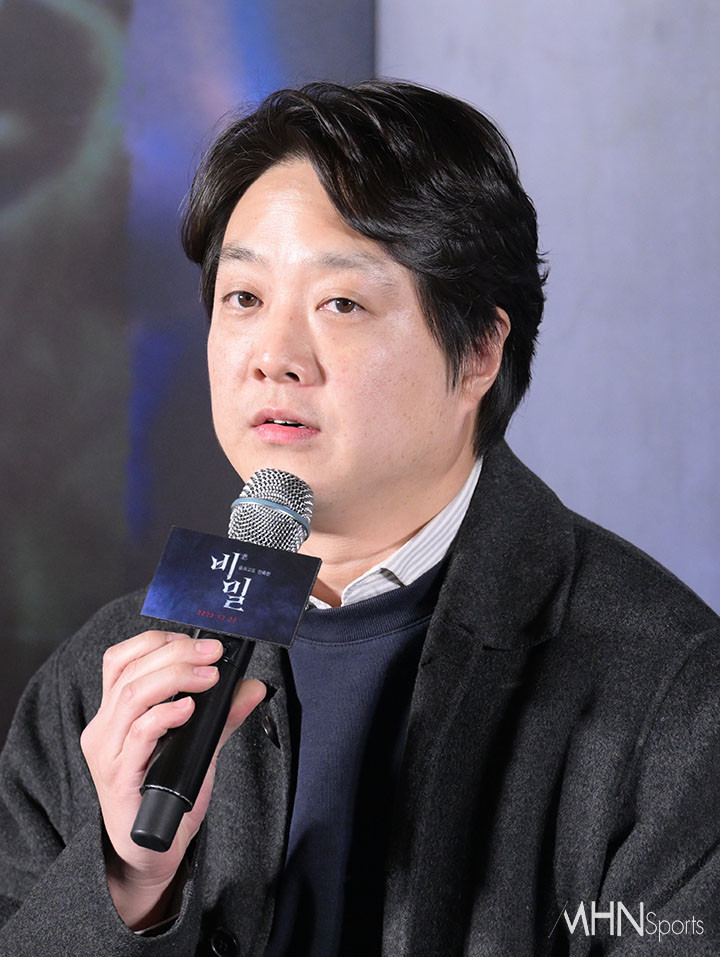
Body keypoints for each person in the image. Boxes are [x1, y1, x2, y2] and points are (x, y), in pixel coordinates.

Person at [0, 79, 718, 957]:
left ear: (479, 351)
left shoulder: (675, 695)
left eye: (341, 303)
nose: (274, 357)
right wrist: (125, 883)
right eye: (244, 298)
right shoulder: (109, 682)